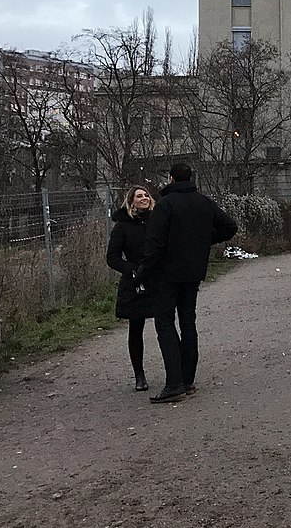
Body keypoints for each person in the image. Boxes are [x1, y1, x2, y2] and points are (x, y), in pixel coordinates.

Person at [136, 163, 238, 404]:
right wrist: (203, 240)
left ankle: (174, 383)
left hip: (166, 274)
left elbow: (155, 245)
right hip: (193, 272)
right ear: (190, 178)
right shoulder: (204, 202)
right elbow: (229, 226)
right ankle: (188, 380)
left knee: (165, 325)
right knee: (188, 322)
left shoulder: (165, 205)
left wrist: (141, 274)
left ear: (171, 179)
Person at [106, 185, 156, 392]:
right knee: (136, 328)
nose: (144, 198)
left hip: (158, 279)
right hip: (136, 283)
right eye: (139, 196)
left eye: (146, 195)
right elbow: (112, 258)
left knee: (166, 324)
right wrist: (132, 270)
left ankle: (175, 370)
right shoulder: (123, 227)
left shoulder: (158, 221)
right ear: (131, 201)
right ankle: (139, 375)